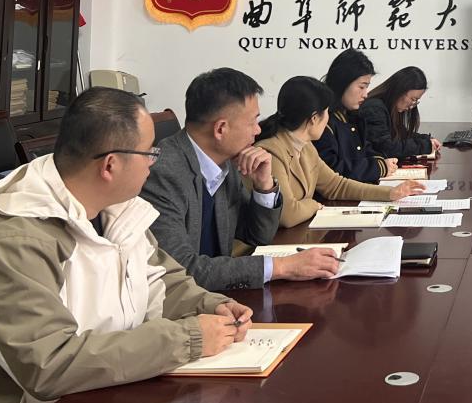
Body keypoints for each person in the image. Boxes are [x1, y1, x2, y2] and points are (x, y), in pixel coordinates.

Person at [0, 88, 247, 403]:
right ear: (110, 165)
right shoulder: (17, 242)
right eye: (149, 153)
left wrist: (209, 305)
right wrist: (188, 339)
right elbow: (50, 363)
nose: (154, 162)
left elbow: (162, 281)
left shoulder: (117, 211)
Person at [143, 68, 339, 292]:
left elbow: (258, 235)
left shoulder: (225, 162)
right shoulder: (163, 173)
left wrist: (264, 186)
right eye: (252, 121)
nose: (258, 129)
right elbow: (181, 270)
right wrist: (283, 267)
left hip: (218, 296)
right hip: (182, 304)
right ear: (221, 129)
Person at [257, 76, 424, 228]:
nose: (329, 119)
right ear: (314, 118)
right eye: (326, 112)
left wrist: (391, 193)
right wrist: (313, 204)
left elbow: (336, 185)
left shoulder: (306, 146)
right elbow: (288, 215)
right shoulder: (272, 152)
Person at [316, 50, 395, 184]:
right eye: (361, 87)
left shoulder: (352, 116)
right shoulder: (323, 121)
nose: (365, 94)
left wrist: (382, 162)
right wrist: (377, 167)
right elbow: (331, 170)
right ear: (342, 83)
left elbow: (365, 149)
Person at [359, 66, 442, 161]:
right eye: (413, 99)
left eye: (416, 101)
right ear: (399, 90)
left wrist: (426, 139)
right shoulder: (374, 109)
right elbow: (387, 149)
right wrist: (424, 145)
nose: (412, 106)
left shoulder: (388, 107)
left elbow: (401, 134)